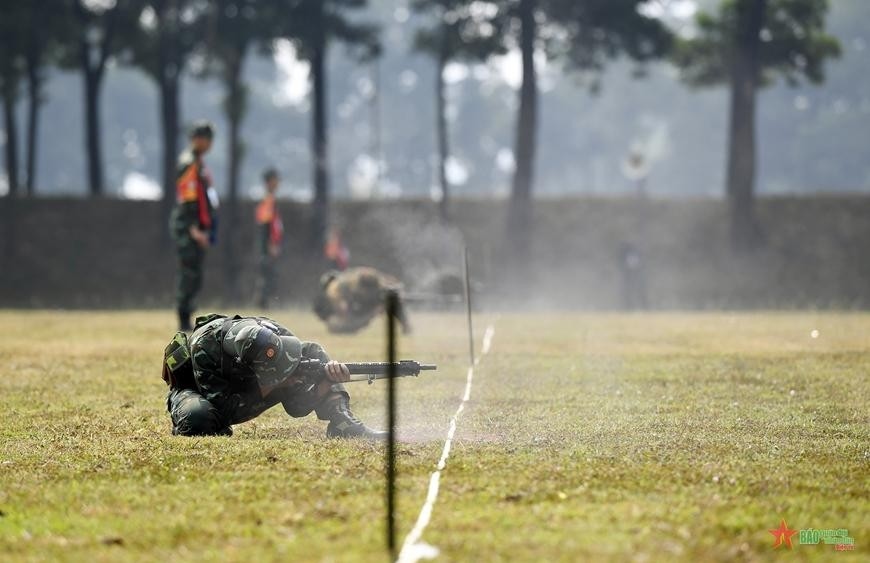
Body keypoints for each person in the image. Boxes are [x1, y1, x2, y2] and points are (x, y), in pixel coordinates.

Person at [164, 313, 386, 439]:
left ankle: (342, 422)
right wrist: (276, 385)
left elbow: (297, 407)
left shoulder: (274, 333)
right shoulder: (205, 348)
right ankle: (189, 419)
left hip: (253, 383)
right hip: (197, 390)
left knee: (313, 353)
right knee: (199, 418)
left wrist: (327, 381)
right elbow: (228, 410)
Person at [170, 121, 217, 331]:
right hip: (188, 229)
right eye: (205, 138)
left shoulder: (199, 164)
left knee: (195, 274)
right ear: (197, 139)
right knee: (189, 274)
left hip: (197, 229)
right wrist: (194, 229)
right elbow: (187, 198)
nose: (208, 143)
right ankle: (183, 318)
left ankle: (187, 315)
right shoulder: (189, 163)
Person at [313, 267, 411, 334]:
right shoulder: (341, 285)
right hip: (362, 304)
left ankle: (406, 326)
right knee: (338, 326)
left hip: (367, 299)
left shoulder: (338, 286)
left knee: (390, 298)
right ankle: (405, 325)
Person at [254, 168, 284, 309]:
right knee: (266, 273)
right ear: (269, 182)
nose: (278, 182)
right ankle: (262, 303)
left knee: (269, 273)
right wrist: (271, 243)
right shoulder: (267, 200)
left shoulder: (270, 199)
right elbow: (266, 224)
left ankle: (265, 302)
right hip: (267, 244)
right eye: (275, 179)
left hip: (270, 243)